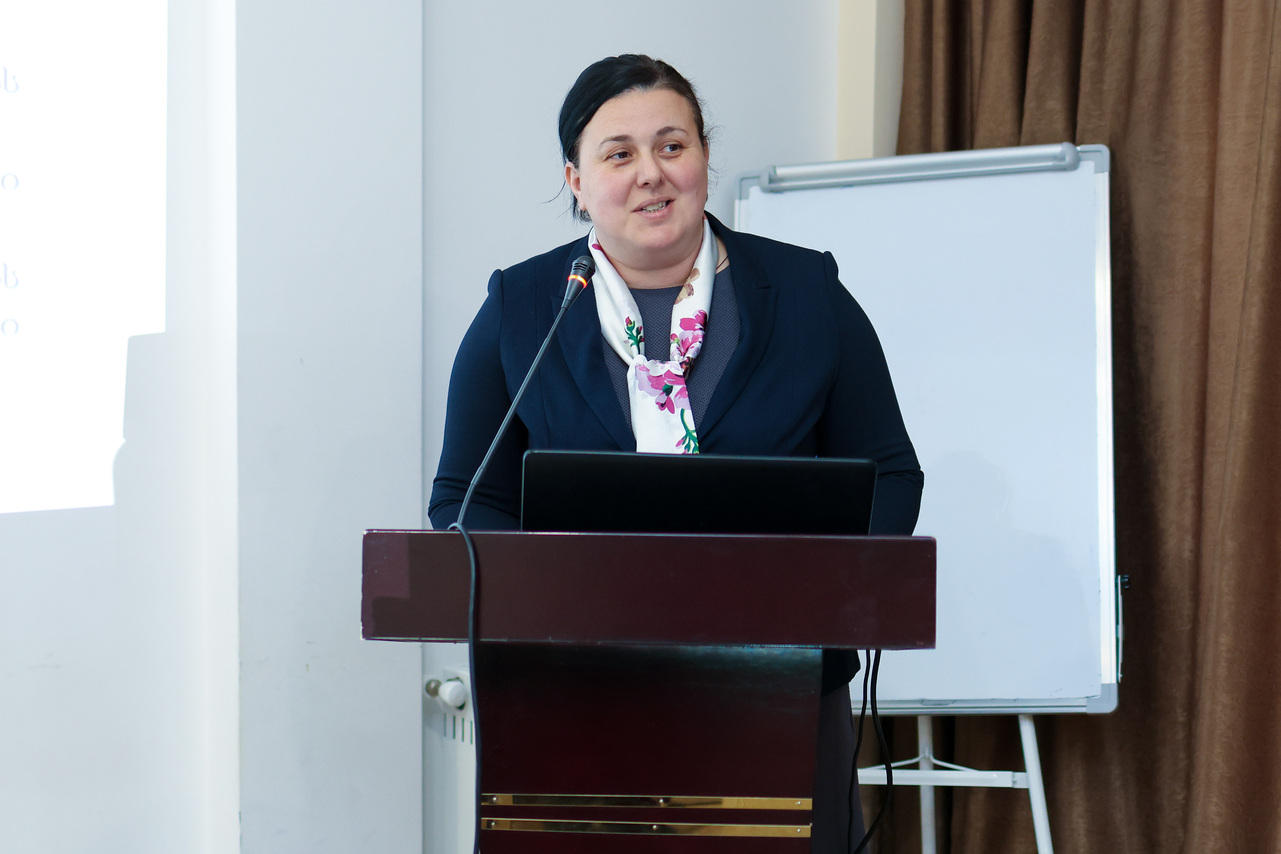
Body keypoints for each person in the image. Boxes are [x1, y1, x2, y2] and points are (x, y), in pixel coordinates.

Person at [429, 54, 923, 853]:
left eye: (671, 145)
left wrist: (824, 596)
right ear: (576, 180)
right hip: (571, 691)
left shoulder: (807, 295)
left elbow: (889, 471)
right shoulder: (523, 307)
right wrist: (549, 602)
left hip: (779, 683)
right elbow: (465, 494)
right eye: (618, 154)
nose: (650, 174)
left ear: (703, 158)